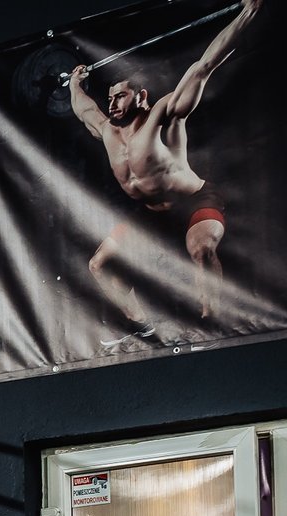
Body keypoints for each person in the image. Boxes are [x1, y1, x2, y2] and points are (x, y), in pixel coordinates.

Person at [71, 0, 263, 338]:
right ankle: (142, 326)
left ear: (139, 96)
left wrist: (248, 12)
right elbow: (83, 109)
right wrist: (75, 85)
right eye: (111, 97)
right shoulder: (107, 132)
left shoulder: (164, 115)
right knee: (98, 265)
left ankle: (212, 323)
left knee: (201, 251)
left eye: (121, 96)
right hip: (150, 212)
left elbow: (203, 67)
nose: (113, 103)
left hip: (194, 202)